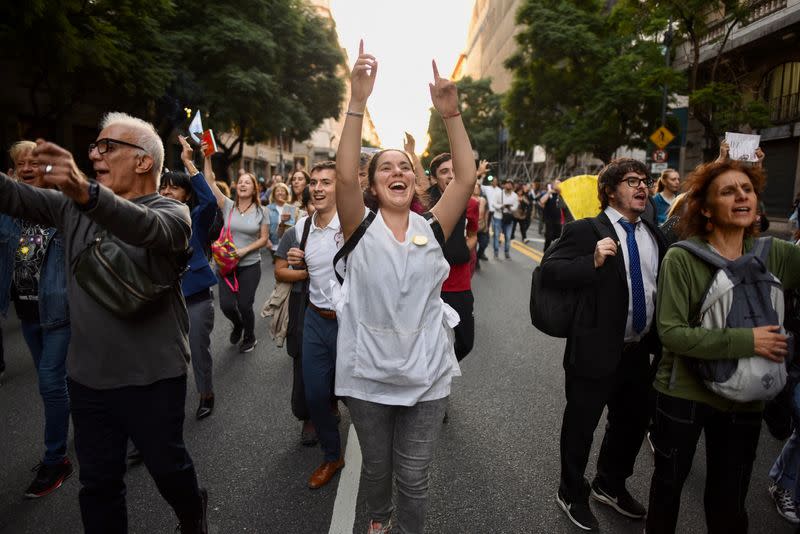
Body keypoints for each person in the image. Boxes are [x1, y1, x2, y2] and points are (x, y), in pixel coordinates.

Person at [0, 112, 207, 533]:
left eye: (107, 147)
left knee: (168, 469)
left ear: (143, 161)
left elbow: (146, 228)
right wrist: (77, 194)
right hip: (88, 380)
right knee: (98, 486)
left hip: (154, 376)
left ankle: (192, 513)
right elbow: (12, 197)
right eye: (94, 146)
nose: (94, 153)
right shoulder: (70, 207)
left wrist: (83, 190)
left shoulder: (172, 212)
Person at [332, 42, 476, 534]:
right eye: (385, 167)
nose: (397, 171)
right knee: (377, 469)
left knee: (413, 477)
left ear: (415, 182)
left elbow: (466, 176)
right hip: (368, 373)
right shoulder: (358, 226)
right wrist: (358, 100)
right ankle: (378, 518)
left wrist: (451, 114)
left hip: (426, 372)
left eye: (404, 167)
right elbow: (343, 179)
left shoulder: (433, 227)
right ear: (371, 184)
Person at [646, 160, 800, 534]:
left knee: (729, 501)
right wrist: (749, 340)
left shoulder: (774, 253)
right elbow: (672, 333)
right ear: (705, 208)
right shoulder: (682, 257)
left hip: (745, 398)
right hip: (683, 393)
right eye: (728, 191)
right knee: (668, 488)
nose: (741, 195)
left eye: (747, 189)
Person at [542, 158, 666, 532]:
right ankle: (571, 491)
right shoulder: (585, 230)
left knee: (630, 423)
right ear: (610, 190)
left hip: (637, 351)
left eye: (646, 181)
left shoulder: (654, 232)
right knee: (582, 425)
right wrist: (591, 261)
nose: (642, 187)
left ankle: (609, 483)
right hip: (594, 348)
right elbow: (549, 269)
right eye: (632, 181)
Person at [0, 140, 73, 498]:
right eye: (20, 163)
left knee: (49, 381)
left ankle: (55, 459)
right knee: (61, 381)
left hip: (58, 310)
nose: (27, 167)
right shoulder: (9, 212)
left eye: (34, 161)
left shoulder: (62, 207)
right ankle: (91, 417)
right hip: (26, 311)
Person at [285, 161, 345, 489]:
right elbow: (299, 267)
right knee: (315, 394)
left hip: (351, 325)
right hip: (314, 319)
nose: (318, 187)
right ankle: (332, 455)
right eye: (313, 182)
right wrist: (298, 260)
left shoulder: (355, 224)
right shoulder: (302, 227)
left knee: (361, 397)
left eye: (326, 182)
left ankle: (381, 454)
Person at [159, 136, 219, 420]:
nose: (168, 192)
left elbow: (208, 200)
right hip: (161, 300)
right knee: (163, 357)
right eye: (164, 187)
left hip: (195, 298)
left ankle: (205, 394)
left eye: (175, 188)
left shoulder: (196, 215)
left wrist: (187, 162)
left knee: (198, 349)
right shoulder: (148, 217)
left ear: (185, 194)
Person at [275, 187, 318, 447]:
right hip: (302, 302)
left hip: (337, 307)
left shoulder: (345, 228)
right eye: (312, 200)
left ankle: (331, 402)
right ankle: (308, 416)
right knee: (303, 360)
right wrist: (307, 273)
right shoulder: (296, 231)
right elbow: (280, 271)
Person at [209, 171, 268, 353]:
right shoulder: (228, 206)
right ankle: (238, 324)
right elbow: (210, 181)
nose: (243, 185)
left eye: (247, 183)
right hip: (226, 266)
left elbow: (263, 239)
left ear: (254, 189)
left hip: (250, 265)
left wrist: (244, 250)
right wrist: (208, 156)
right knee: (226, 305)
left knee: (244, 304)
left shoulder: (261, 211)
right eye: (240, 182)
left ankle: (250, 337)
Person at [427, 152, 478, 362]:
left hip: (459, 283)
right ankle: (430, 379)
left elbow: (474, 233)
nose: (450, 175)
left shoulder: (472, 203)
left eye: (454, 171)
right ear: (434, 178)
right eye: (444, 171)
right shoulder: (424, 203)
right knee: (429, 339)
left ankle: (442, 368)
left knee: (465, 342)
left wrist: (462, 249)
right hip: (430, 284)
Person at [266, 182, 296, 259]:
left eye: (282, 191)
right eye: (277, 191)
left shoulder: (290, 207)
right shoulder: (268, 208)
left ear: (286, 194)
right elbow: (264, 226)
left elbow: (291, 225)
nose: (280, 193)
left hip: (289, 244)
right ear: (273, 194)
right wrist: (267, 240)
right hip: (274, 244)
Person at [492, 178, 518, 259]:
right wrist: (501, 206)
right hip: (498, 216)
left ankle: (507, 252)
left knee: (508, 236)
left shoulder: (515, 195)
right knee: (496, 235)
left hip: (508, 218)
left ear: (512, 186)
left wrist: (510, 207)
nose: (509, 185)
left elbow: (515, 207)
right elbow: (493, 204)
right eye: (507, 183)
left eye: (510, 184)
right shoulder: (499, 193)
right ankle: (496, 252)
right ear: (504, 184)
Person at [539, 179, 565, 252]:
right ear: (553, 185)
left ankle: (554, 254)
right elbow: (541, 202)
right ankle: (545, 251)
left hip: (559, 220)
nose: (557, 185)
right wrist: (549, 192)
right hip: (549, 219)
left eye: (559, 184)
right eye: (556, 184)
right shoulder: (549, 194)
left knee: (557, 238)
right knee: (548, 237)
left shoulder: (562, 195)